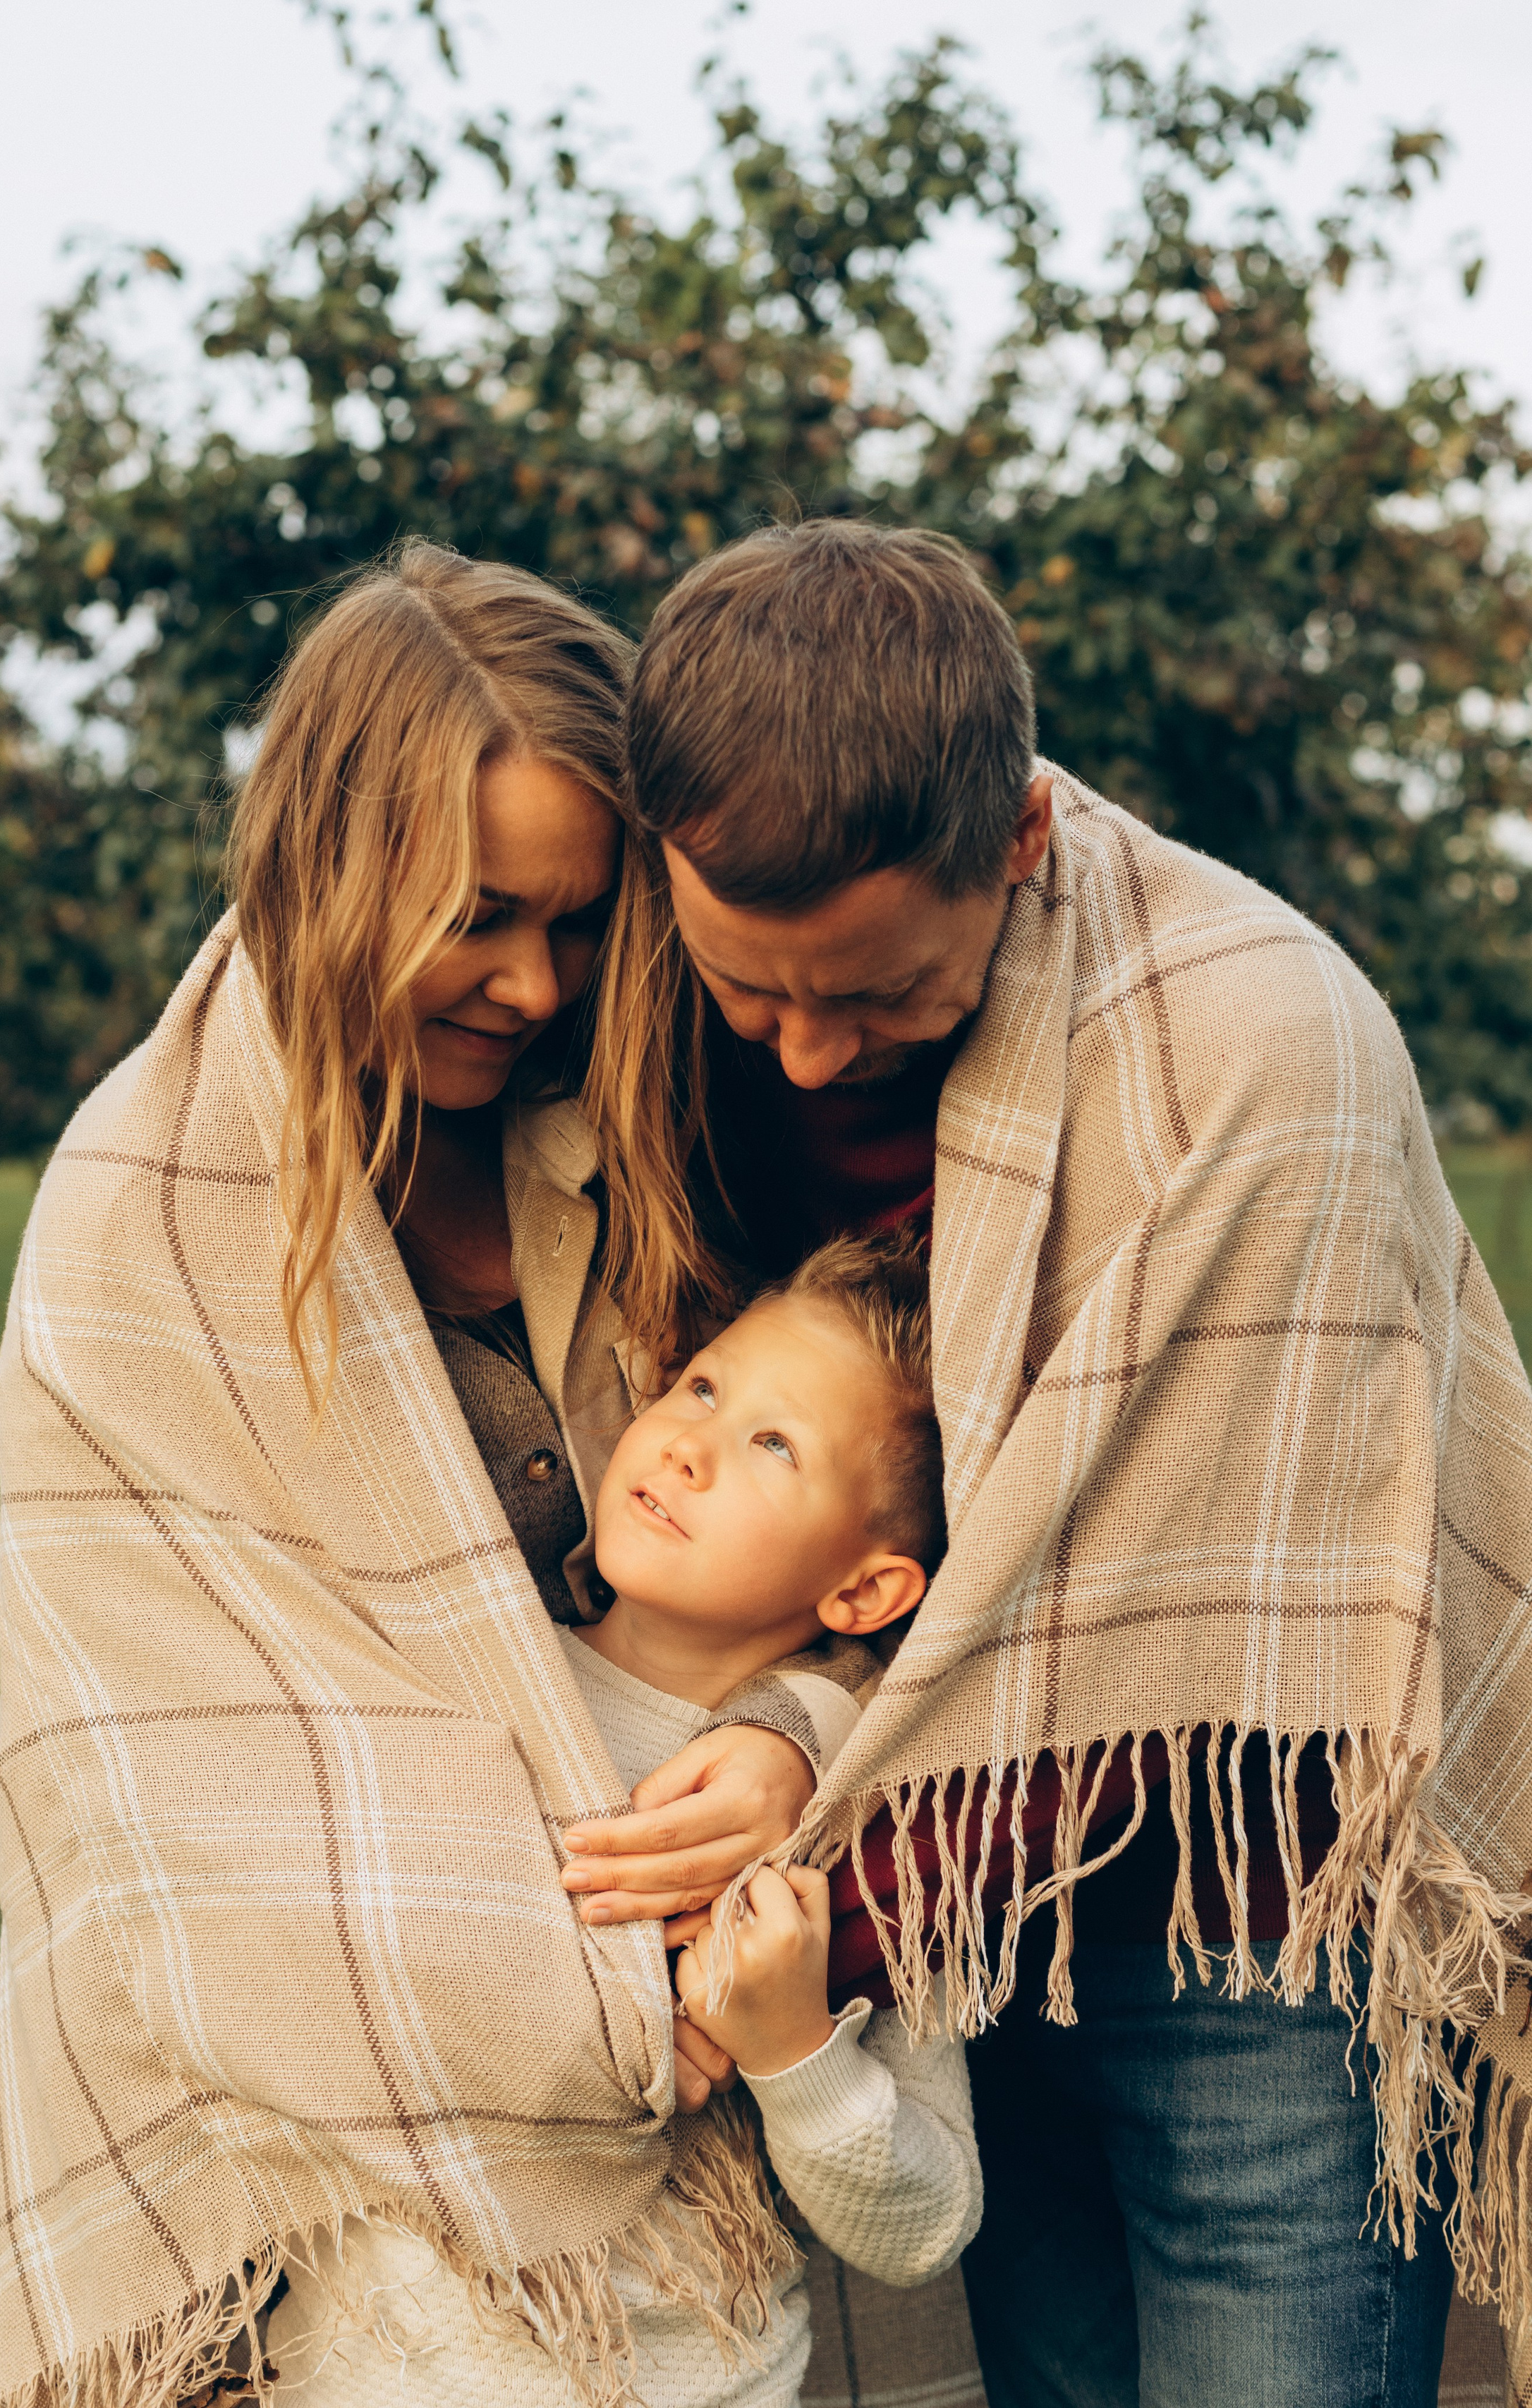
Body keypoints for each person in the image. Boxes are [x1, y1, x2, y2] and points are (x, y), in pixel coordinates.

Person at [557, 517, 1532, 2407]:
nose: (817, 1053)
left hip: (1260, 1910)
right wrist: (797, 1727)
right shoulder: (653, 1002)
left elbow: (1109, 1595)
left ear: (1017, 840)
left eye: (886, 996)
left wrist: (806, 1852)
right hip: (979, 1928)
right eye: (759, 989)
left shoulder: (1258, 1047)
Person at [0, 544, 860, 2408]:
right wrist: (596, 2009)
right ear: (328, 870)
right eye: (474, 915)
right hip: (373, 2167)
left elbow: (863, 1521)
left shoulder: (646, 1129)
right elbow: (161, 1786)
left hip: (725, 2118)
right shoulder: (142, 1226)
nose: (533, 983)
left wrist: (793, 1726)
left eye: (577, 915)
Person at [267, 1226, 981, 2401]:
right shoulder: (451, 1687)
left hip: (692, 2374)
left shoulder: (858, 1826)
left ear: (862, 1588)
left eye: (773, 1442)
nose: (691, 1443)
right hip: (380, 2363)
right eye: (704, 1384)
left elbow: (924, 2222)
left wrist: (791, 2049)